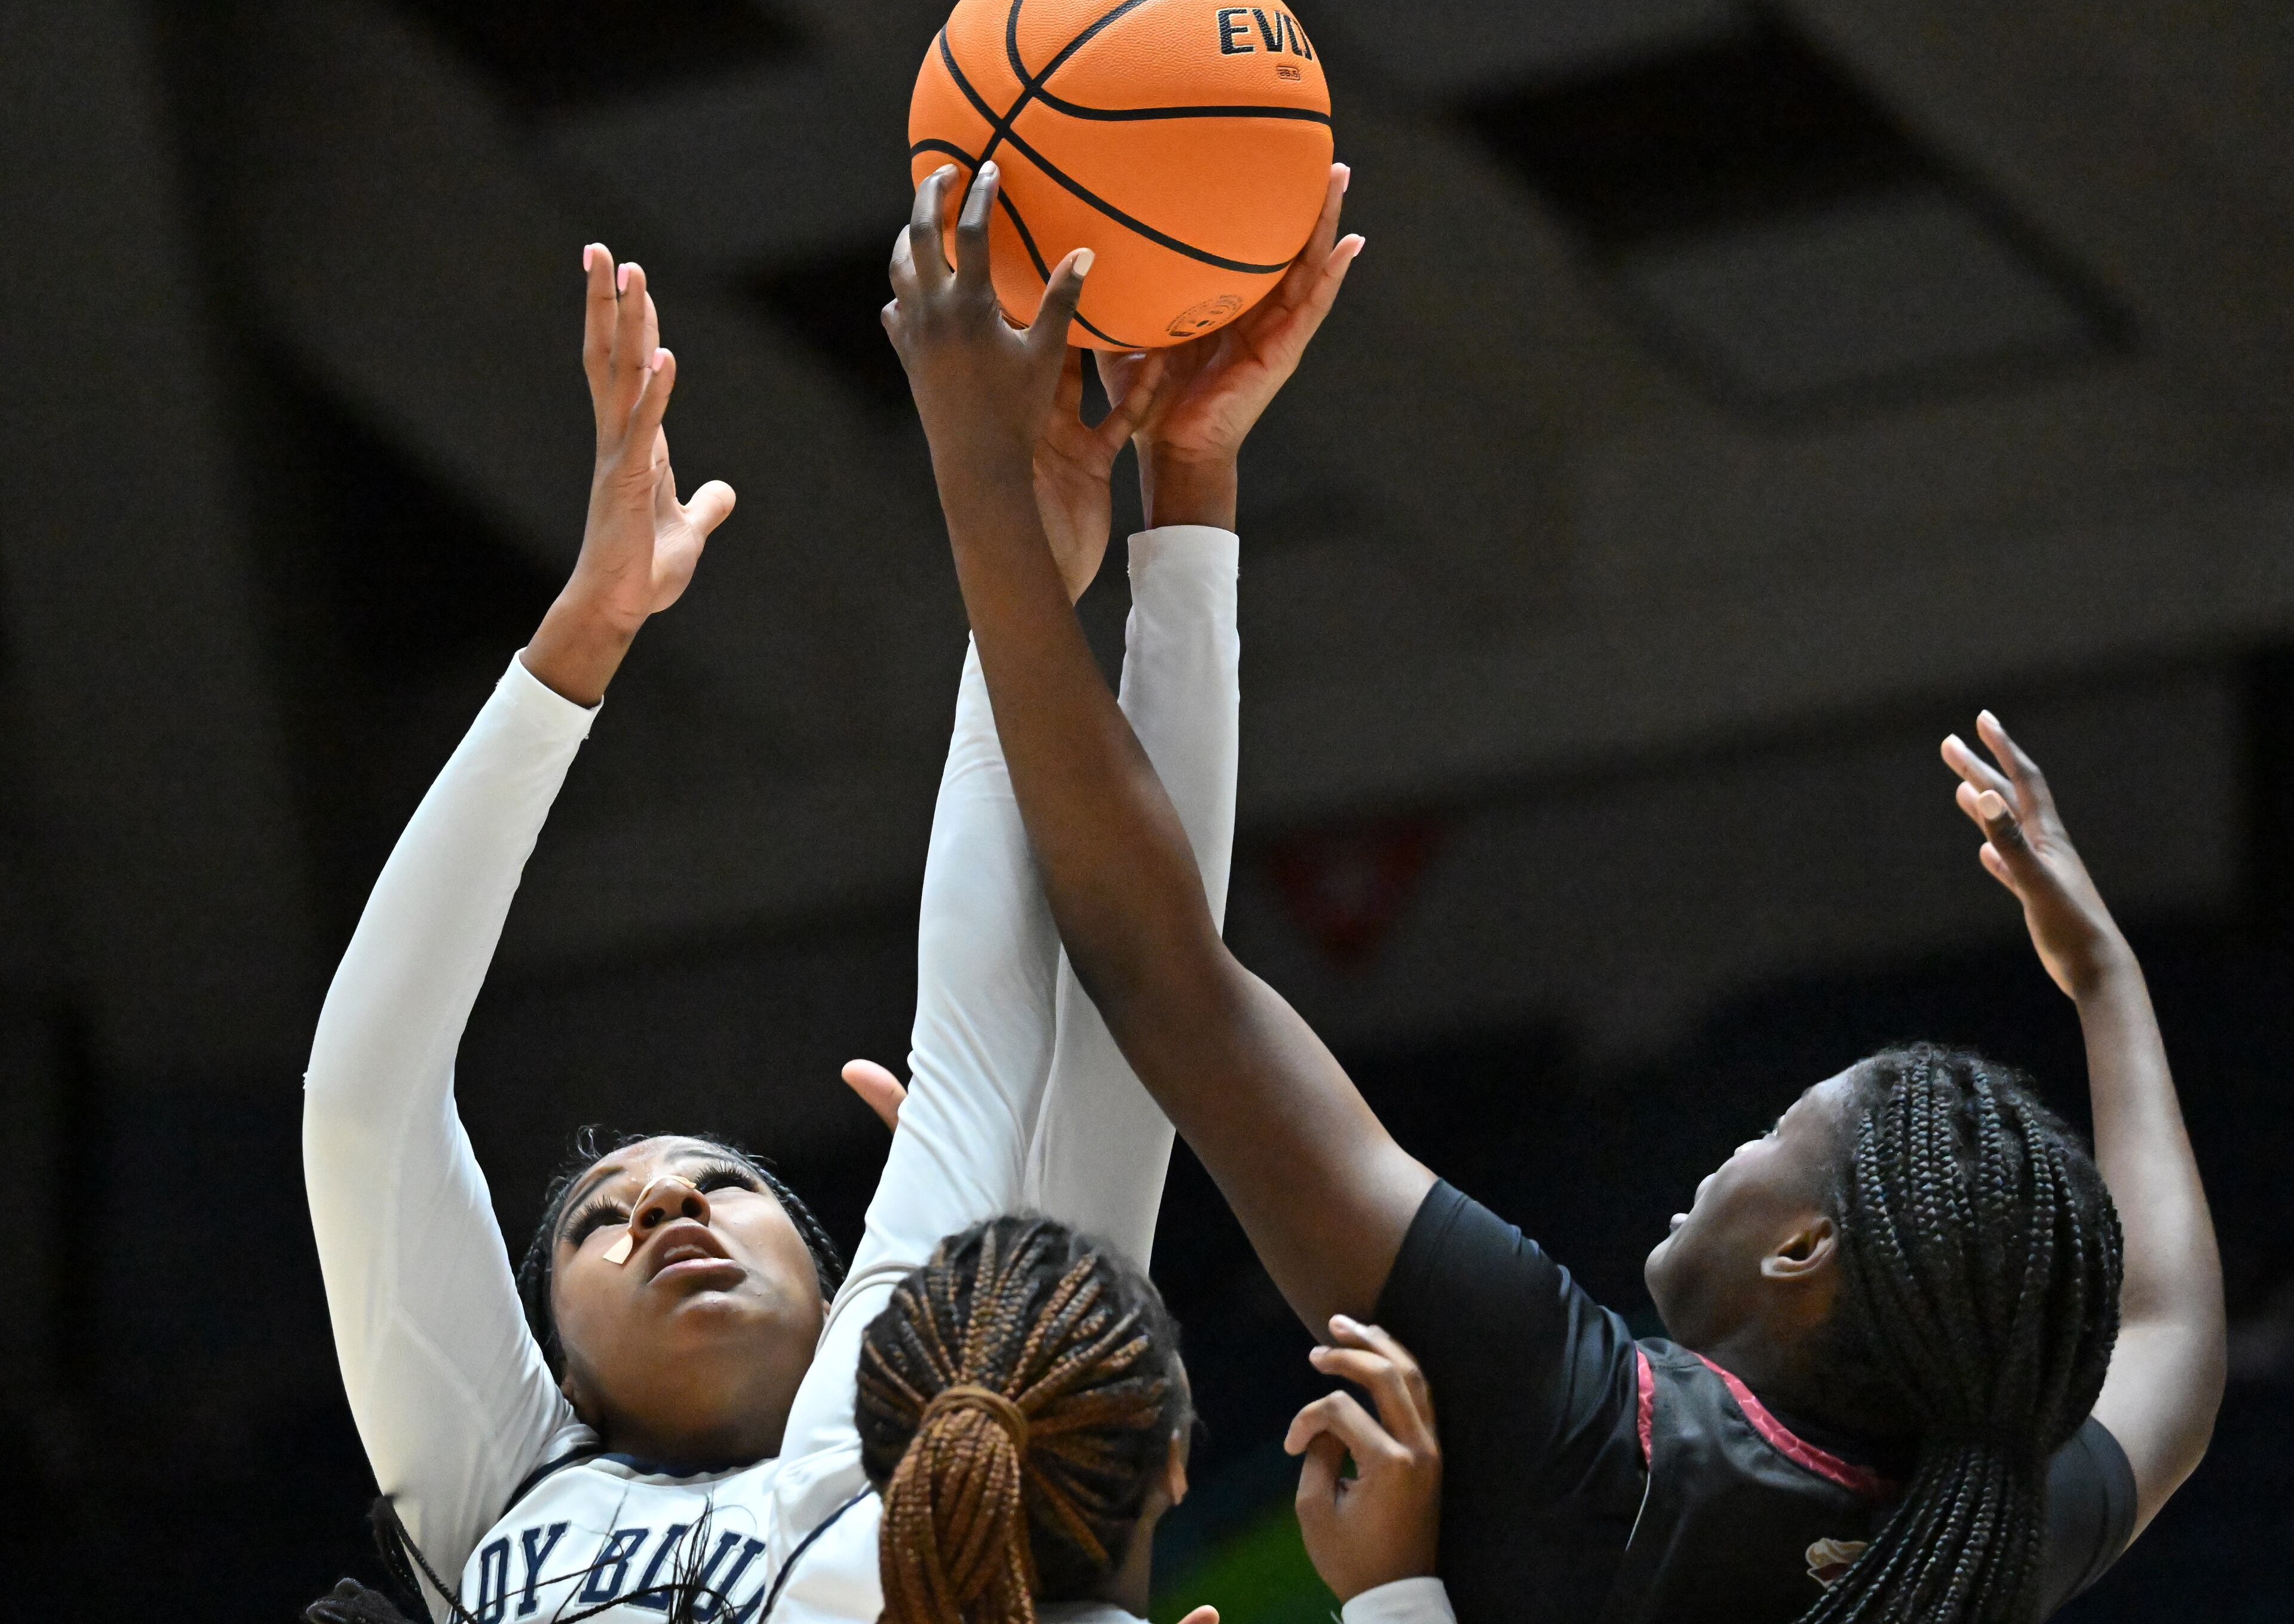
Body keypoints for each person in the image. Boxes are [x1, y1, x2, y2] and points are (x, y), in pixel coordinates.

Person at [881, 158, 2227, 1624]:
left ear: (1805, 1251)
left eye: (1778, 1134)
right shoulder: (1978, 1536)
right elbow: (2177, 1341)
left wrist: (992, 480)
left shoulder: (1601, 1429)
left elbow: (1163, 973)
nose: (1729, 1152)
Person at [304, 215, 1450, 1624]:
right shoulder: (503, 1487)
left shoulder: (909, 1445)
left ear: (845, 1294)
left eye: (723, 1187)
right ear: (550, 1368)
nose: (667, 1202)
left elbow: (1081, 1015)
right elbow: (363, 1105)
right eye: (600, 1223)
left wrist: (1059, 573)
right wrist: (577, 642)